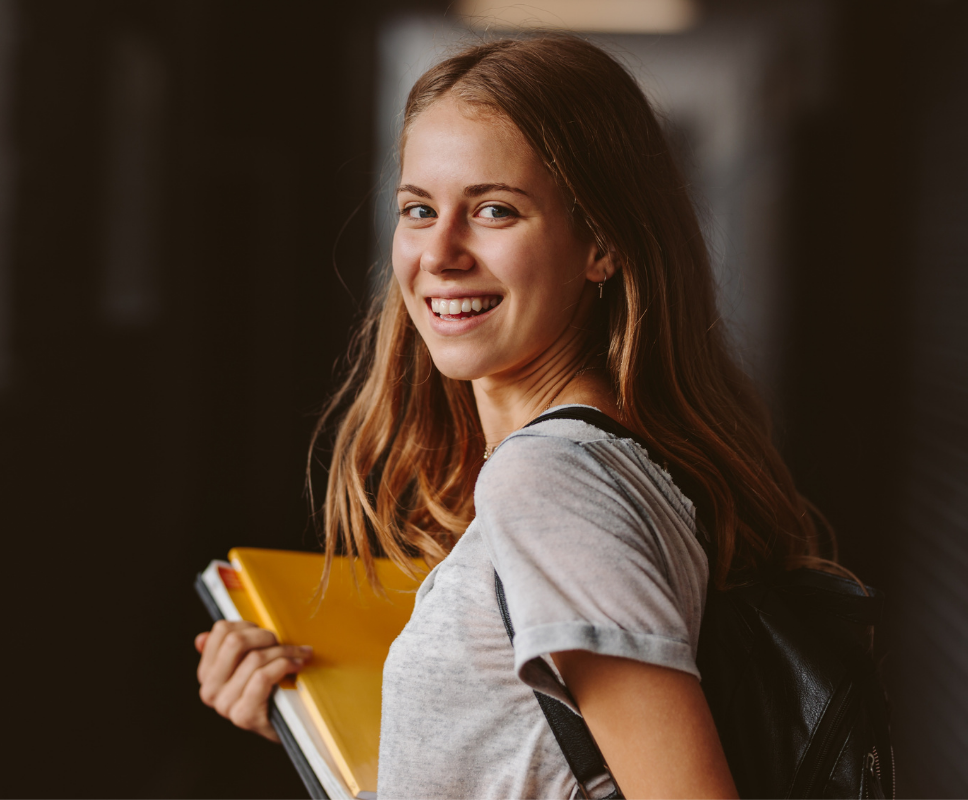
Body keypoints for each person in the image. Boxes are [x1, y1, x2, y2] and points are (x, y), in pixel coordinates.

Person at [195, 34, 837, 799]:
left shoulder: (551, 483)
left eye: (494, 210)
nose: (440, 252)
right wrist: (311, 720)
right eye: (418, 209)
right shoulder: (600, 467)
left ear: (600, 241)